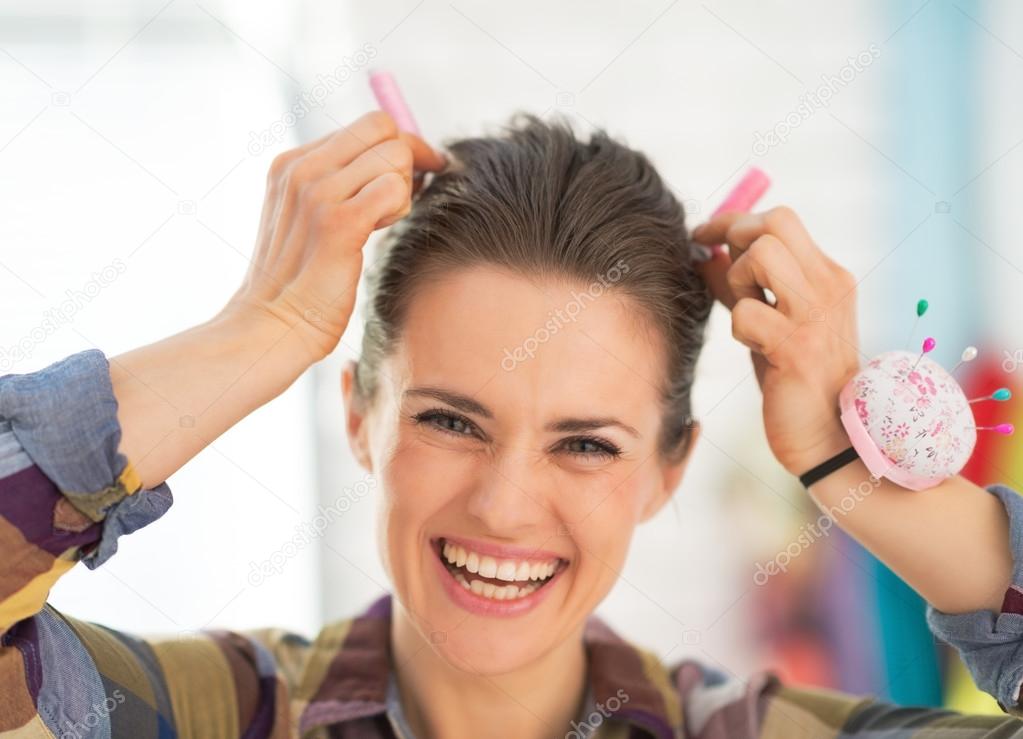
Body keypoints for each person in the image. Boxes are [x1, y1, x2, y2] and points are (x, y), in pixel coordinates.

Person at [1, 110, 1022, 739]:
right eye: (450, 419)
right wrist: (258, 332)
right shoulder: (204, 716)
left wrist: (846, 465)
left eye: (585, 443)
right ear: (360, 416)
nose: (503, 504)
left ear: (669, 468)